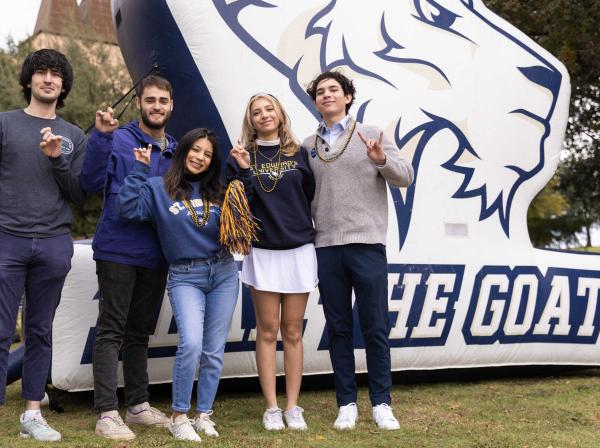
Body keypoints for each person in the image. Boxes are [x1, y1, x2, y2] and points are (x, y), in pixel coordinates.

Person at [303, 71, 414, 431]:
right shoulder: (308, 146)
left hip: (367, 243)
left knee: (375, 327)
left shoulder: (372, 133)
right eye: (320, 92)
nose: (327, 95)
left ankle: (382, 403)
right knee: (337, 328)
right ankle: (346, 403)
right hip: (327, 246)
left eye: (334, 90)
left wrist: (382, 159)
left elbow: (406, 176)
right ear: (316, 101)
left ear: (348, 97)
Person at [118, 128, 239, 443]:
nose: (200, 157)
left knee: (213, 351)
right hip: (185, 275)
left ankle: (204, 415)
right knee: (192, 344)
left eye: (208, 154)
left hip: (223, 272)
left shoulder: (219, 191)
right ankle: (179, 416)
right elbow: (128, 209)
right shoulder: (159, 188)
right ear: (183, 151)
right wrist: (140, 169)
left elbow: (242, 222)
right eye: (195, 150)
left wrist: (242, 173)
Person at [79, 75, 176, 440]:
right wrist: (101, 136)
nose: (156, 106)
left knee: (138, 333)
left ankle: (137, 406)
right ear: (138, 103)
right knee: (111, 330)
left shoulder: (177, 149)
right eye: (150, 100)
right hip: (117, 250)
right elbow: (88, 183)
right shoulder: (117, 138)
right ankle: (106, 412)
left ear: (171, 105)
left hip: (157, 255)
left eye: (163, 101)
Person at [0, 48, 86, 441]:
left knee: (40, 330)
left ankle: (33, 412)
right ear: (29, 80)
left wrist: (56, 159)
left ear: (63, 85)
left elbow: (77, 194)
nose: (49, 79)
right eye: (41, 73)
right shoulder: (4, 124)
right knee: (2, 330)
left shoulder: (73, 136)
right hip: (7, 239)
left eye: (56, 74)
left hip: (53, 242)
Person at [226, 94, 316, 431]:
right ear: (250, 120)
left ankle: (293, 406)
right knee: (267, 331)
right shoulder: (240, 156)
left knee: (292, 331)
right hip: (262, 252)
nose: (264, 115)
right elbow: (239, 205)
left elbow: (308, 196)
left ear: (280, 114)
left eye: (269, 109)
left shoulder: (300, 153)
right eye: (256, 111)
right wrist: (246, 171)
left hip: (298, 251)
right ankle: (272, 408)